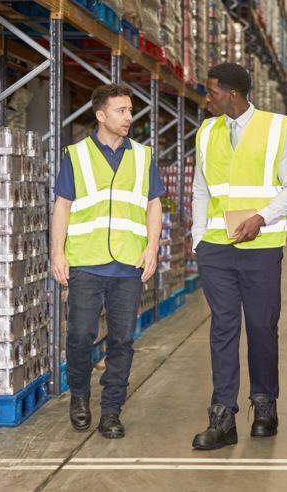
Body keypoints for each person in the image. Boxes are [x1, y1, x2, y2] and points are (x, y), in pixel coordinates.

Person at [190, 63, 287, 450]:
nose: (207, 99)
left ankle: (264, 405)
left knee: (261, 327)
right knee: (222, 329)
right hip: (216, 249)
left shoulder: (276, 128)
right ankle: (222, 416)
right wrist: (196, 241)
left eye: (212, 92)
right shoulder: (207, 132)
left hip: (262, 247)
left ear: (233, 94)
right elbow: (201, 189)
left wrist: (262, 217)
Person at [51, 83, 164, 439]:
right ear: (101, 115)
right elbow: (63, 206)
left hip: (128, 264)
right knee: (81, 335)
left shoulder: (143, 156)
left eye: (131, 110)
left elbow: (153, 204)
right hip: (86, 260)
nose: (129, 117)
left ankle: (112, 411)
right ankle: (80, 397)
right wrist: (57, 252)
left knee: (122, 340)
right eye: (121, 111)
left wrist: (152, 247)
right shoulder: (78, 154)